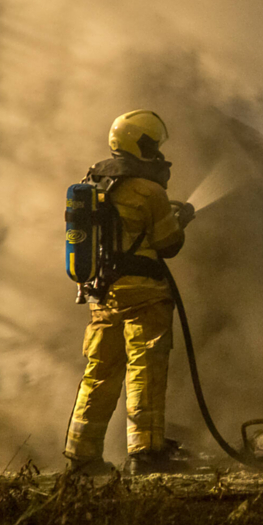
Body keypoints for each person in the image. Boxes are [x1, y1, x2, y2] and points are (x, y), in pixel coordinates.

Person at [64, 109, 194, 475]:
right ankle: (146, 452)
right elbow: (168, 245)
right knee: (145, 369)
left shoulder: (93, 184)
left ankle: (81, 456)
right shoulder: (150, 191)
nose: (157, 154)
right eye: (154, 146)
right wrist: (180, 220)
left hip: (101, 295)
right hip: (144, 296)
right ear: (142, 145)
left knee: (99, 373)